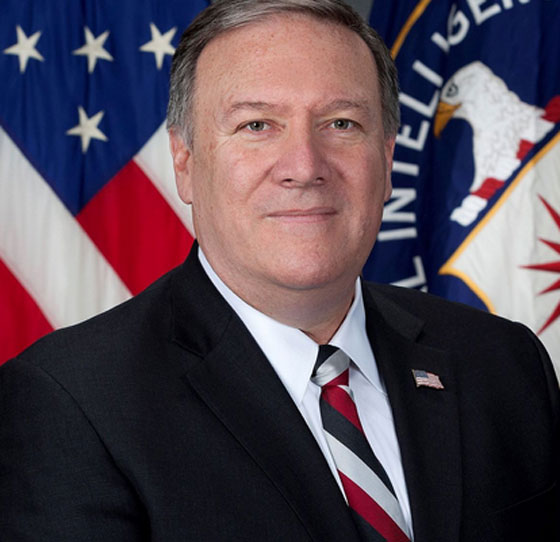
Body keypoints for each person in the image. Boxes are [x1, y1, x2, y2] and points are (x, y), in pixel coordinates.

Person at [1, 0, 558, 540]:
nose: (304, 166)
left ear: (388, 159)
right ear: (185, 161)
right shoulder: (72, 404)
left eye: (341, 122)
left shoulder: (504, 364)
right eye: (257, 125)